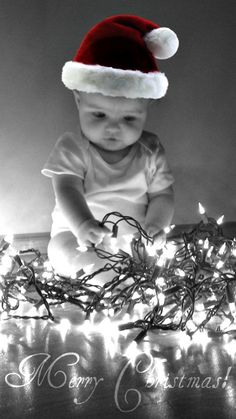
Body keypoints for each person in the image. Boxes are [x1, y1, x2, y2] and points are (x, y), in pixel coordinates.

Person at [42, 14, 179, 278]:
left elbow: (163, 194)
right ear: (79, 101)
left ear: (146, 107)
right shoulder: (73, 147)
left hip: (131, 242)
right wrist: (83, 225)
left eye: (129, 118)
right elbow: (66, 188)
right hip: (78, 235)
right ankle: (97, 277)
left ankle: (121, 281)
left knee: (154, 262)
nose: (113, 127)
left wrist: (156, 225)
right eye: (100, 115)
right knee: (62, 250)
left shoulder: (150, 150)